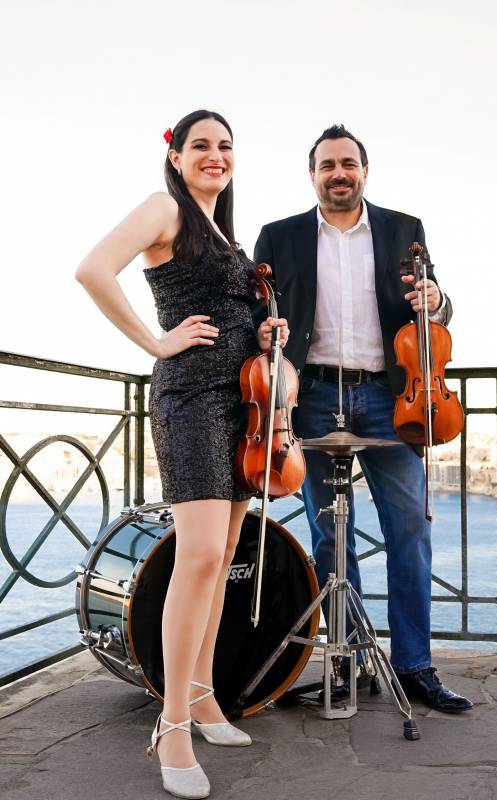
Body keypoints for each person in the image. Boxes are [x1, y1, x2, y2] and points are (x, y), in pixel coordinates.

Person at [76, 109, 288, 799]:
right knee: (196, 558)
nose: (215, 155)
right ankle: (170, 726)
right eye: (201, 145)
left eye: (225, 146)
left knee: (220, 558)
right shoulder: (162, 208)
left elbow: (232, 317)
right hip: (190, 400)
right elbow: (92, 270)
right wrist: (156, 342)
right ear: (175, 156)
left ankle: (202, 697)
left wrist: (264, 334)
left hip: (241, 408)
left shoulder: (226, 233)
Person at [254, 124, 472, 714]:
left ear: (365, 172)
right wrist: (263, 331)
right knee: (330, 535)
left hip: (389, 398)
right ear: (312, 175)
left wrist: (437, 301)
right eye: (327, 165)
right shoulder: (279, 236)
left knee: (410, 530)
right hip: (311, 396)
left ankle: (414, 665)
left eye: (348, 163)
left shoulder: (405, 229)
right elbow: (258, 314)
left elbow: (436, 304)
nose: (339, 174)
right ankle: (344, 660)